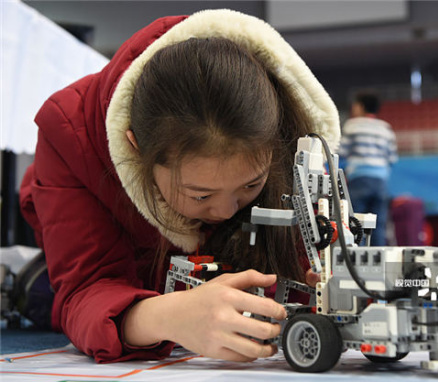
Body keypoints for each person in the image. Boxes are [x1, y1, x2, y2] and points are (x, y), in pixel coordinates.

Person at [18, 9, 340, 363]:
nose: (224, 211)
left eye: (251, 185)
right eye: (200, 194)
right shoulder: (69, 132)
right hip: (102, 272)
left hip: (204, 275)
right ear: (134, 147)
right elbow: (85, 290)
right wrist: (168, 316)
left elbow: (304, 261)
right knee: (43, 297)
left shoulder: (294, 142)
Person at [338, 91, 398, 246]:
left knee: (356, 223)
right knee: (379, 225)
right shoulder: (386, 128)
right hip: (381, 181)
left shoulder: (352, 125)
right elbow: (392, 158)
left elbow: (341, 153)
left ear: (361, 106)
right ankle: (380, 264)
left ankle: (358, 264)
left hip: (359, 179)